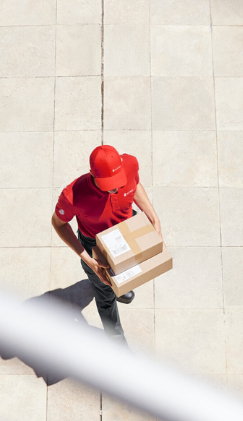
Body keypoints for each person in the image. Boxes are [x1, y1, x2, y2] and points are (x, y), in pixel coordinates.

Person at [51, 145, 162, 344]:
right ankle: (117, 342)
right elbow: (58, 223)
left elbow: (134, 185)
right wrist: (87, 259)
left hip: (127, 230)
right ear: (93, 175)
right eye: (109, 184)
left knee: (128, 269)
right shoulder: (73, 196)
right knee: (105, 293)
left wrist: (153, 216)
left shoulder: (130, 163)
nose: (116, 188)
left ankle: (122, 286)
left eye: (118, 182)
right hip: (96, 245)